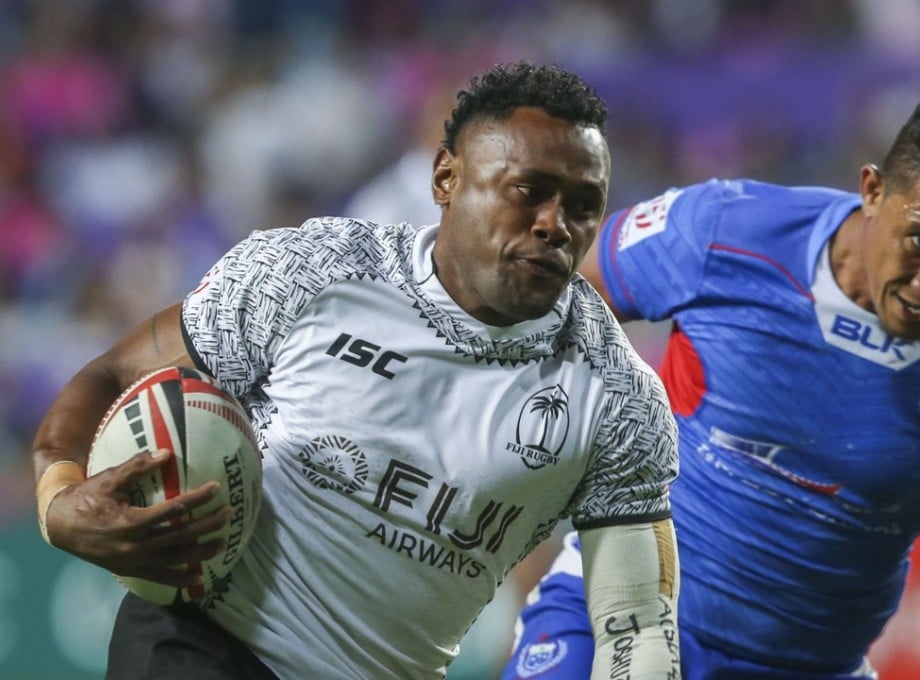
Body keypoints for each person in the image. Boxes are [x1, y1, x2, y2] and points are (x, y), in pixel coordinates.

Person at [30, 61, 681, 679]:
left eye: (583, 204)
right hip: (202, 642)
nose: (555, 226)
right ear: (445, 179)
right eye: (529, 192)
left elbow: (637, 627)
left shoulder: (617, 395)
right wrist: (58, 497)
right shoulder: (312, 271)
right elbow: (115, 376)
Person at [502, 87, 920, 680]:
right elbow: (550, 309)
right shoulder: (724, 232)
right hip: (619, 619)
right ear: (873, 191)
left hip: (816, 667)